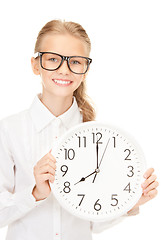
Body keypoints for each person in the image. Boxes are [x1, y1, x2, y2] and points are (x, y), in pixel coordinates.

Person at [0, 19, 159, 240]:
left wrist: (132, 200)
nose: (64, 70)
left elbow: (93, 220)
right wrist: (35, 193)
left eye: (75, 62)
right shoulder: (9, 130)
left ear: (85, 69)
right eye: (53, 59)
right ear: (35, 65)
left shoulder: (97, 135)